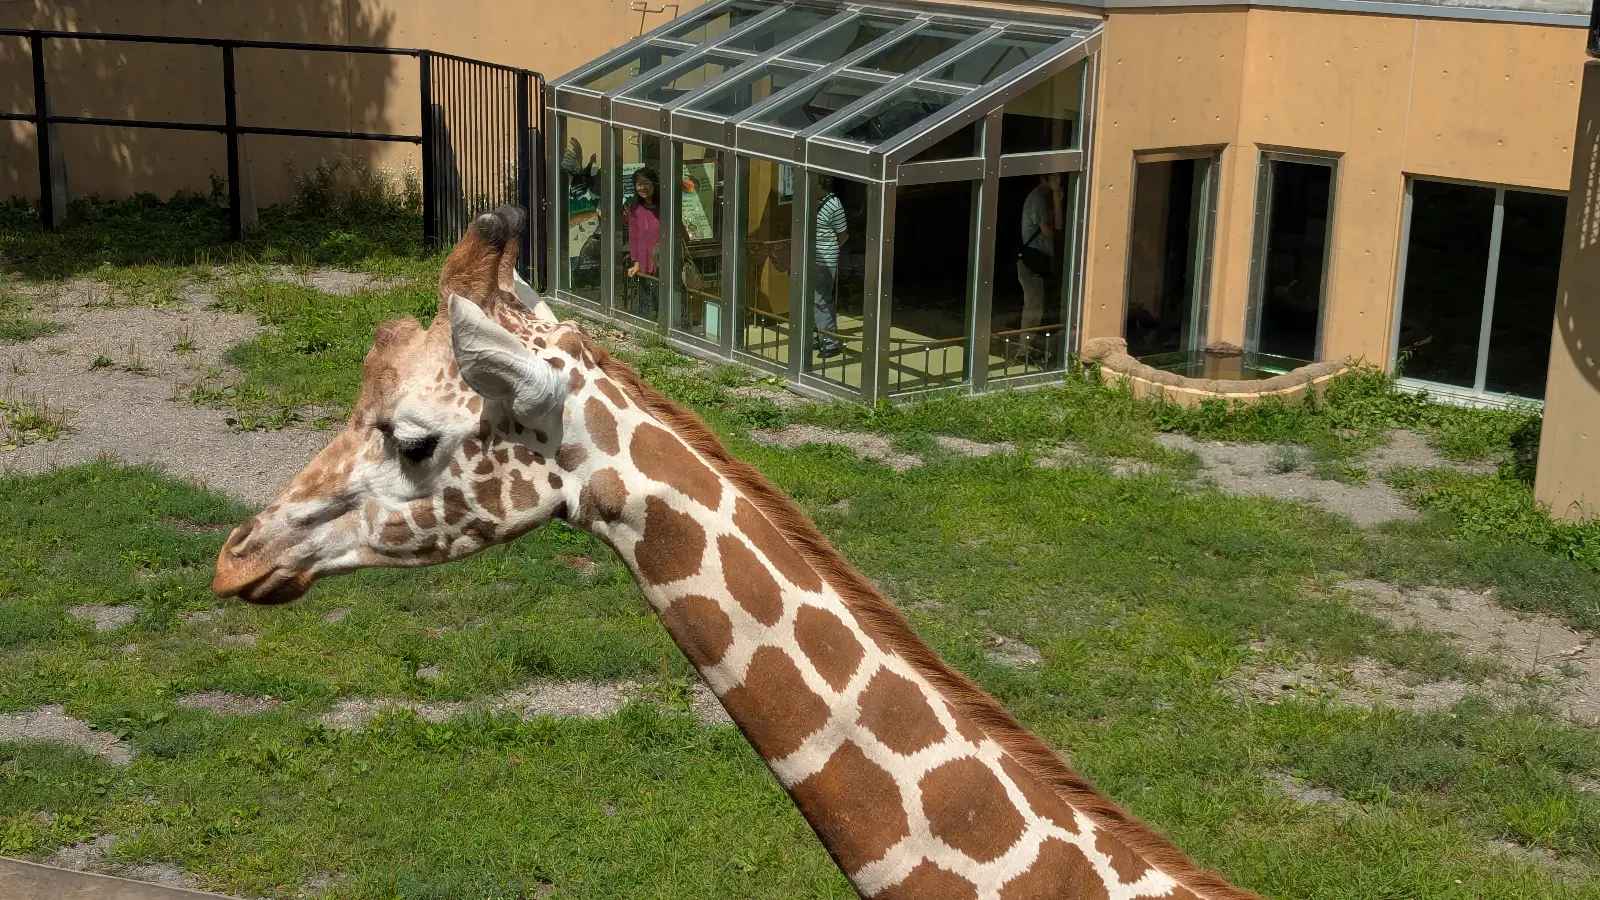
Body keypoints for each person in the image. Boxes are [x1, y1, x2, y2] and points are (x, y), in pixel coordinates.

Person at [1016, 171, 1064, 363]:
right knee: (1033, 307)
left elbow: (1058, 226)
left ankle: (1028, 347)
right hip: (1032, 259)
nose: (1058, 182)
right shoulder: (1036, 198)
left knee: (1039, 306)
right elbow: (1047, 231)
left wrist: (1057, 199)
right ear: (1044, 179)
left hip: (1041, 258)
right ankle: (1023, 350)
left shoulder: (1047, 198)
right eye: (1054, 178)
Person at [812, 175, 848, 359]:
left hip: (825, 261)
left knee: (821, 300)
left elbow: (843, 235)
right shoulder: (811, 200)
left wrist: (828, 251)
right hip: (810, 259)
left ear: (820, 184)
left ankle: (830, 342)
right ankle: (817, 336)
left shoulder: (834, 204)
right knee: (813, 299)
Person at [623, 166, 664, 320]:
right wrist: (636, 262)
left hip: (665, 264)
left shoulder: (665, 207)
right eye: (639, 184)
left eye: (646, 183)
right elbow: (634, 238)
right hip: (645, 266)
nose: (642, 188)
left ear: (654, 184)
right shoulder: (633, 209)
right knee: (646, 310)